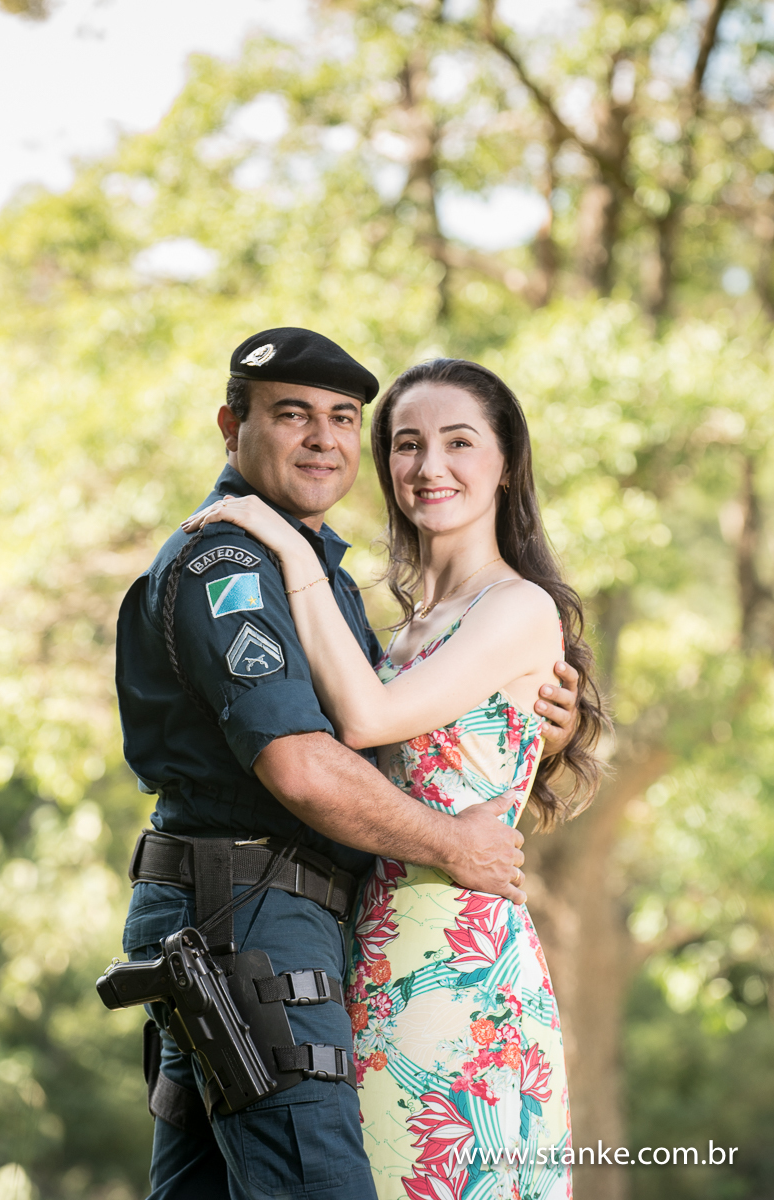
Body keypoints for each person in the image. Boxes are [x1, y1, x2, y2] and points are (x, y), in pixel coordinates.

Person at [115, 329, 580, 1200]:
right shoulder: (239, 560)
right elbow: (307, 763)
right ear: (232, 426)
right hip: (255, 914)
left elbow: (412, 729)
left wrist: (534, 732)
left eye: (340, 418)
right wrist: (452, 840)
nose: (323, 438)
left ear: (508, 463)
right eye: (291, 415)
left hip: (373, 936)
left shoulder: (332, 578)